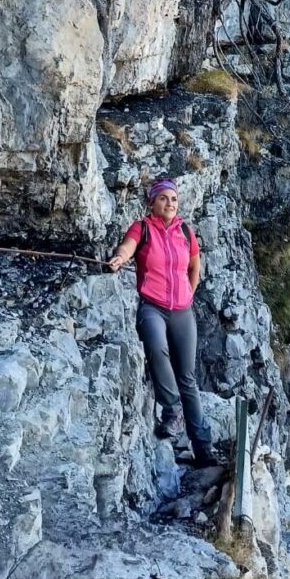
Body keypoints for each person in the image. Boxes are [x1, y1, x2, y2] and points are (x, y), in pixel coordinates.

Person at [107, 177, 218, 466]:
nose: (169, 203)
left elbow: (195, 266)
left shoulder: (184, 230)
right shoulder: (142, 227)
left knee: (188, 378)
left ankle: (203, 449)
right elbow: (127, 247)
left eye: (174, 199)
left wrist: (188, 296)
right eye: (163, 198)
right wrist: (119, 259)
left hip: (182, 310)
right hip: (152, 306)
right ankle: (172, 410)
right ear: (152, 202)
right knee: (156, 347)